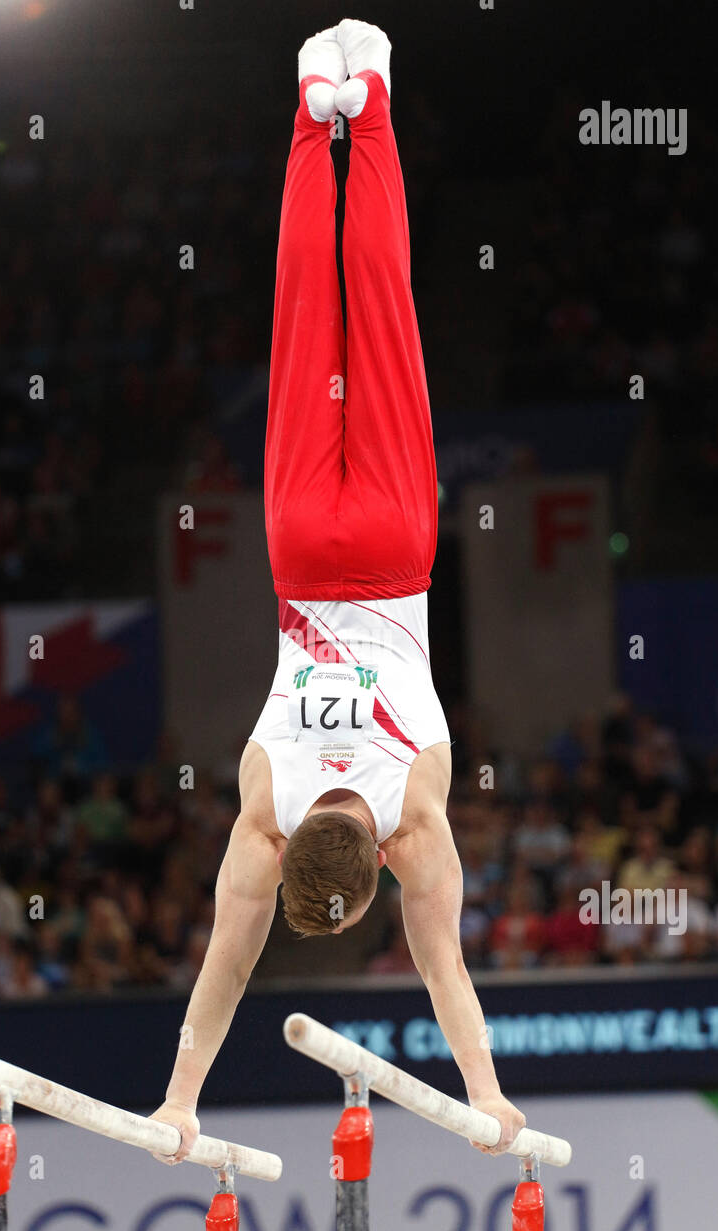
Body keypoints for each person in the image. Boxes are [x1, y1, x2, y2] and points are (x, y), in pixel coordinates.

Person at [149, 21, 526, 1163]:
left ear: (372, 868)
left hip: (401, 543)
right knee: (309, 312)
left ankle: (377, 104)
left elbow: (442, 968)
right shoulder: (262, 810)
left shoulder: (417, 818)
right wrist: (179, 1099)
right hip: (305, 545)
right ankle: (321, 108)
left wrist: (487, 1091)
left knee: (387, 310)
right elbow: (220, 971)